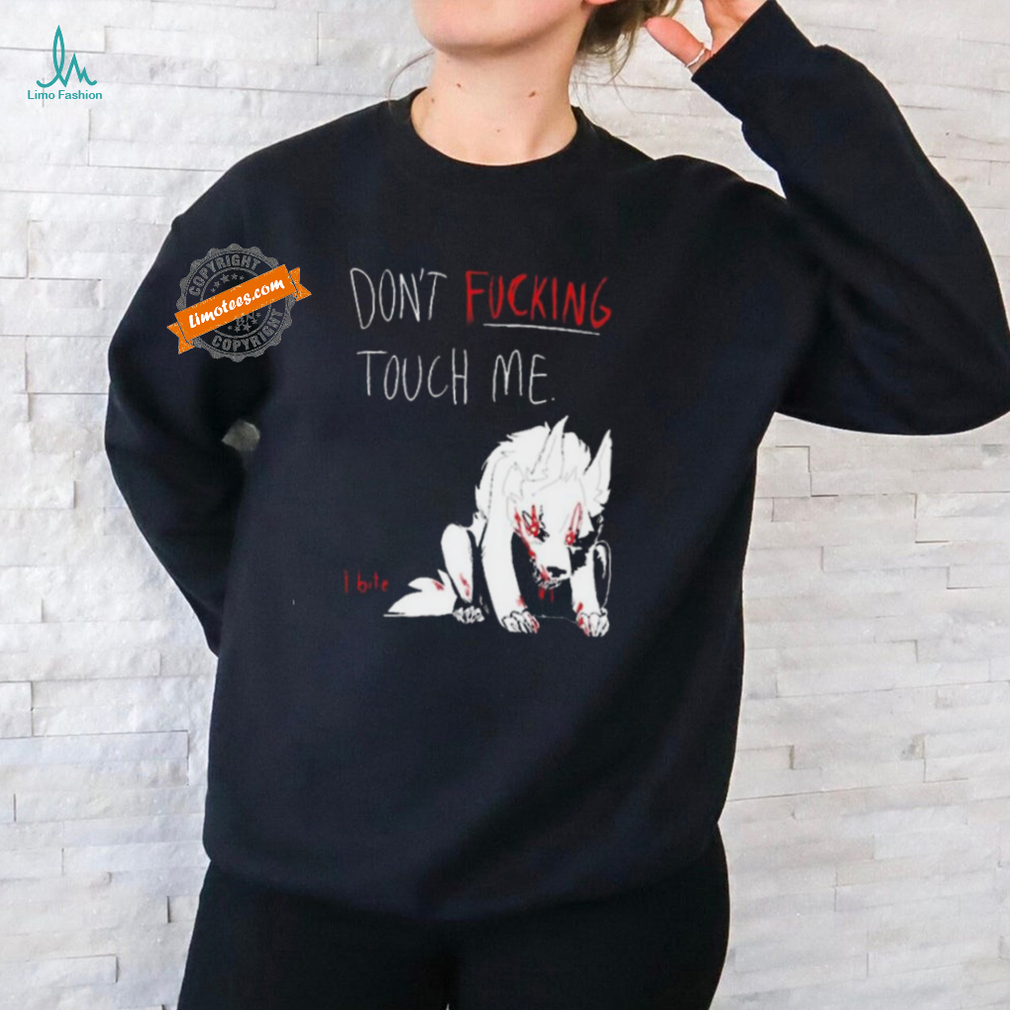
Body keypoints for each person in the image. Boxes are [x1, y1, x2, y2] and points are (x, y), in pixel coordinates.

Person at [103, 1, 1010, 1007]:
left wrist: (778, 77)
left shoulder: (705, 249)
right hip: (302, 888)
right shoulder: (276, 224)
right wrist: (272, 629)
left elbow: (953, 362)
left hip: (606, 899)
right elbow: (159, 425)